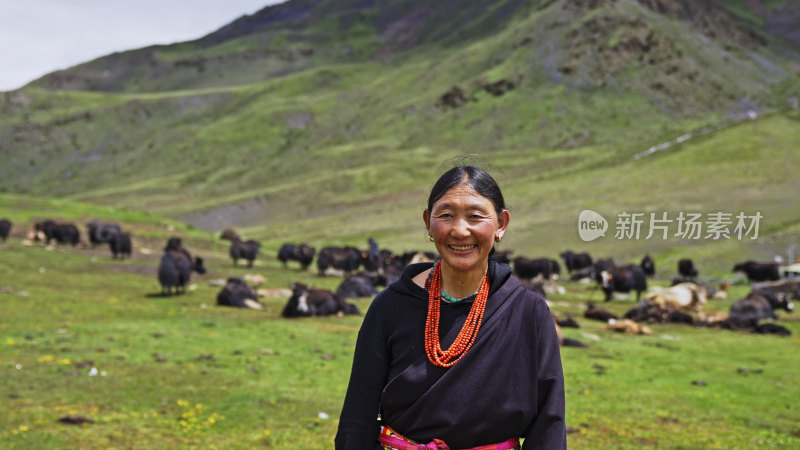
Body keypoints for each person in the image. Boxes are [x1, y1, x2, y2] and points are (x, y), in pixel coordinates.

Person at [335, 165, 566, 449]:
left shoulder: (528, 313)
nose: (459, 230)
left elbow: (548, 427)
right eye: (445, 215)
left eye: (475, 216)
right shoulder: (390, 306)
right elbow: (358, 418)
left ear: (501, 224)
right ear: (427, 223)